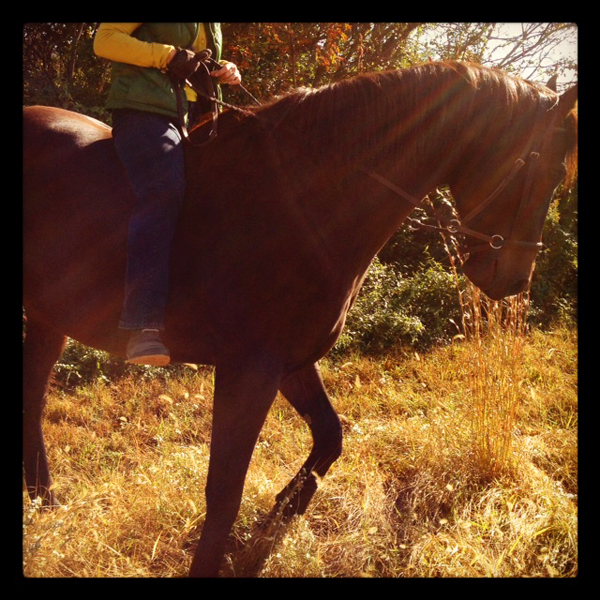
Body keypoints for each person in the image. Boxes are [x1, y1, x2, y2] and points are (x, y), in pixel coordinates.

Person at [94, 23, 241, 366]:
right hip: (143, 113)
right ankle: (143, 327)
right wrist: (167, 55)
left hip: (191, 117)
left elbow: (194, 63)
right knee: (164, 191)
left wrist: (224, 70)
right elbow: (104, 40)